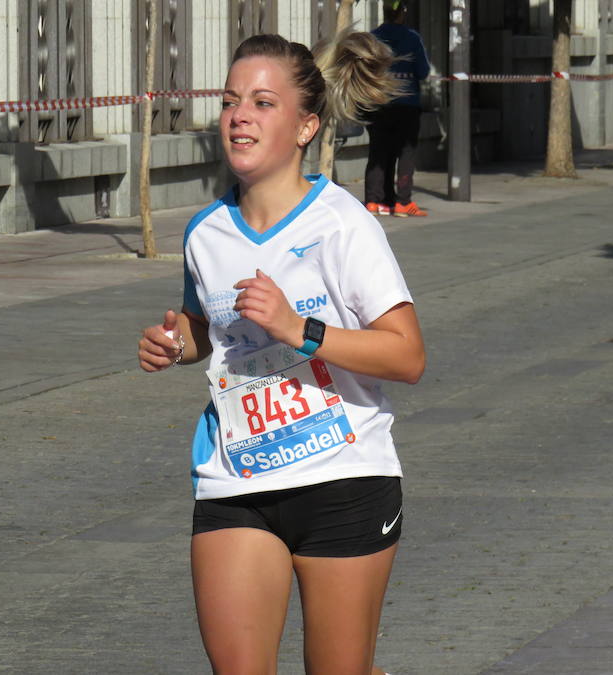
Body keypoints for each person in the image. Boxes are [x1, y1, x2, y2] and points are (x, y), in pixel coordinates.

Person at [138, 29, 425, 675]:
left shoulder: (343, 224)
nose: (240, 115)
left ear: (305, 127)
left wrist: (303, 329)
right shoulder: (205, 232)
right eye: (231, 100)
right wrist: (175, 343)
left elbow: (407, 356)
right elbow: (206, 327)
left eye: (264, 103)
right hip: (235, 480)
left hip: (344, 479)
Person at [364, 0, 431, 218]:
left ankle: (374, 202)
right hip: (406, 105)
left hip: (378, 104)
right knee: (405, 153)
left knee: (378, 153)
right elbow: (423, 71)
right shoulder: (412, 38)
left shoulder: (372, 38)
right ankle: (403, 202)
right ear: (402, 12)